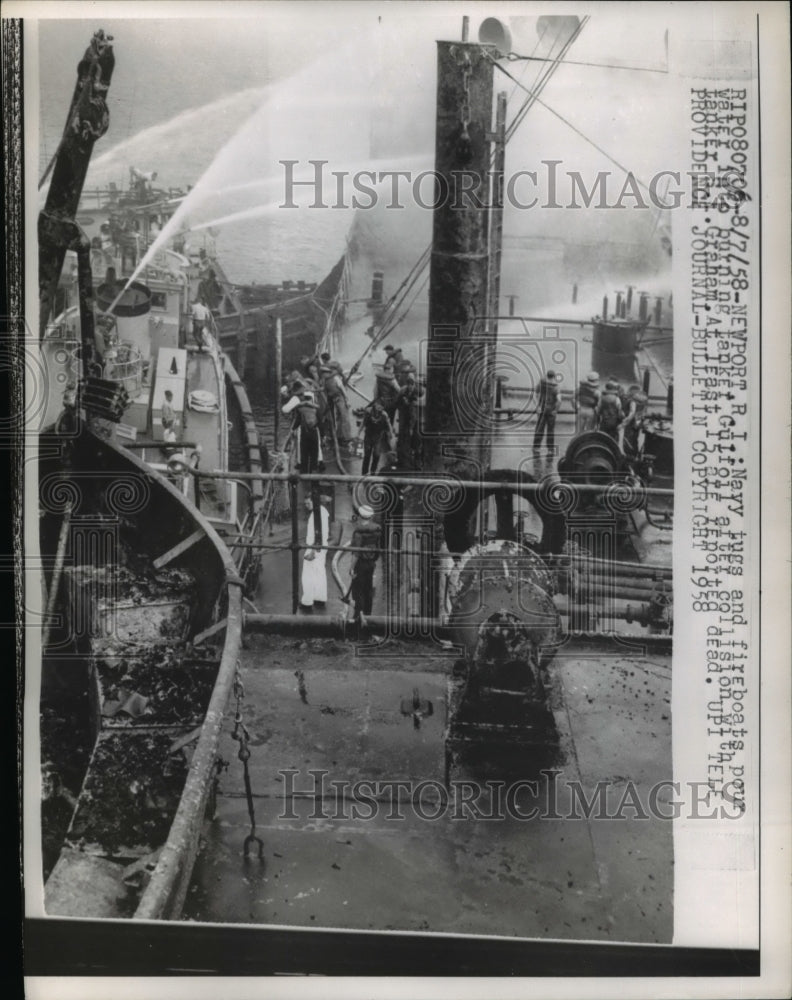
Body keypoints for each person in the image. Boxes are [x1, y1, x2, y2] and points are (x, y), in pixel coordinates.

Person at [344, 504, 382, 625]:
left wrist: (351, 568)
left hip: (360, 564)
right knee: (368, 589)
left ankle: (358, 617)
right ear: (371, 517)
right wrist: (373, 560)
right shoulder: (377, 529)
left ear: (360, 516)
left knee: (357, 591)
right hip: (370, 564)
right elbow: (378, 548)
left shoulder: (359, 531)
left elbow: (356, 552)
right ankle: (368, 616)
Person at [300, 495, 331, 611]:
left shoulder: (318, 514)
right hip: (321, 546)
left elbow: (319, 533)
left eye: (308, 503)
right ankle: (320, 598)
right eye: (305, 504)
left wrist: (313, 551)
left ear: (314, 502)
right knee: (319, 572)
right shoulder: (322, 511)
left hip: (315, 546)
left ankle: (307, 602)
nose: (306, 506)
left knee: (307, 575)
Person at [282, 389, 323, 474]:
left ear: (304, 398)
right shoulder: (316, 408)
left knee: (304, 454)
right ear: (311, 398)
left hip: (304, 433)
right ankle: (314, 478)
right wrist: (323, 435)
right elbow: (320, 422)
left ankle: (303, 475)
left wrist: (292, 429)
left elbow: (297, 421)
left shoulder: (300, 408)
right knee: (314, 455)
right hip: (313, 432)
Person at [359, 399, 395, 475]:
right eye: (379, 405)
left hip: (378, 437)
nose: (380, 407)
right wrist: (358, 433)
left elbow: (388, 425)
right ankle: (364, 473)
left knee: (376, 455)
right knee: (367, 455)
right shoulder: (368, 411)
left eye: (382, 406)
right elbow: (363, 422)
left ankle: (373, 473)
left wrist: (391, 434)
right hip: (368, 436)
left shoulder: (384, 414)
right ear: (375, 404)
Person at [533, 370, 561, 452]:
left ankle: (536, 447)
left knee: (539, 428)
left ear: (547, 375)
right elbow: (559, 400)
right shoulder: (556, 387)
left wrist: (537, 406)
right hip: (551, 410)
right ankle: (550, 448)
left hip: (541, 408)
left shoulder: (541, 384)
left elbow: (535, 395)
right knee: (550, 430)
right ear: (554, 376)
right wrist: (555, 410)